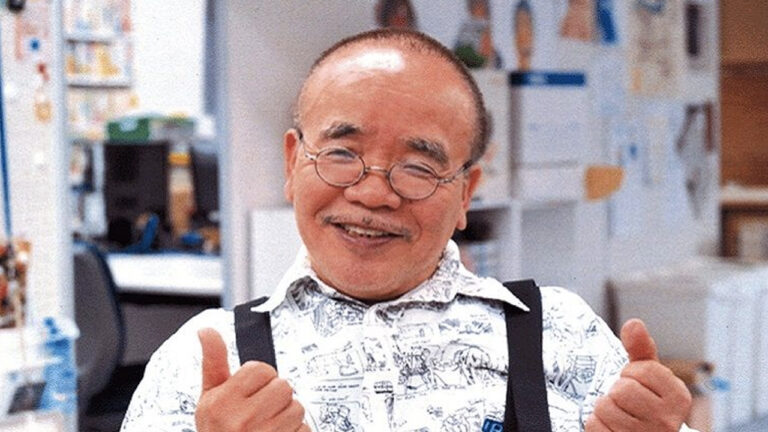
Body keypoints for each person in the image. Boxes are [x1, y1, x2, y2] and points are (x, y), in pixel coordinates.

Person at [121, 28, 694, 432]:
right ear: (293, 163)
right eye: (342, 153)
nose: (373, 193)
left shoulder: (563, 337)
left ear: (466, 192)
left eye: (418, 167)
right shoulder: (204, 365)